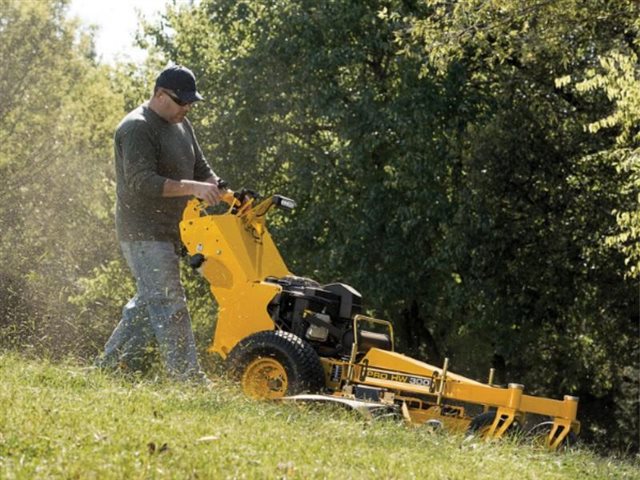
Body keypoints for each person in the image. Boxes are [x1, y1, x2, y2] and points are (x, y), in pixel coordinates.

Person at [95, 65, 221, 384]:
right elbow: (142, 182)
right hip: (142, 233)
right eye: (182, 102)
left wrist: (223, 190)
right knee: (168, 300)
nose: (187, 108)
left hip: (170, 232)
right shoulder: (137, 128)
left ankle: (109, 369)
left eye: (191, 103)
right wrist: (193, 188)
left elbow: (201, 168)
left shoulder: (182, 124)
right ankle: (188, 380)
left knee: (147, 304)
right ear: (160, 95)